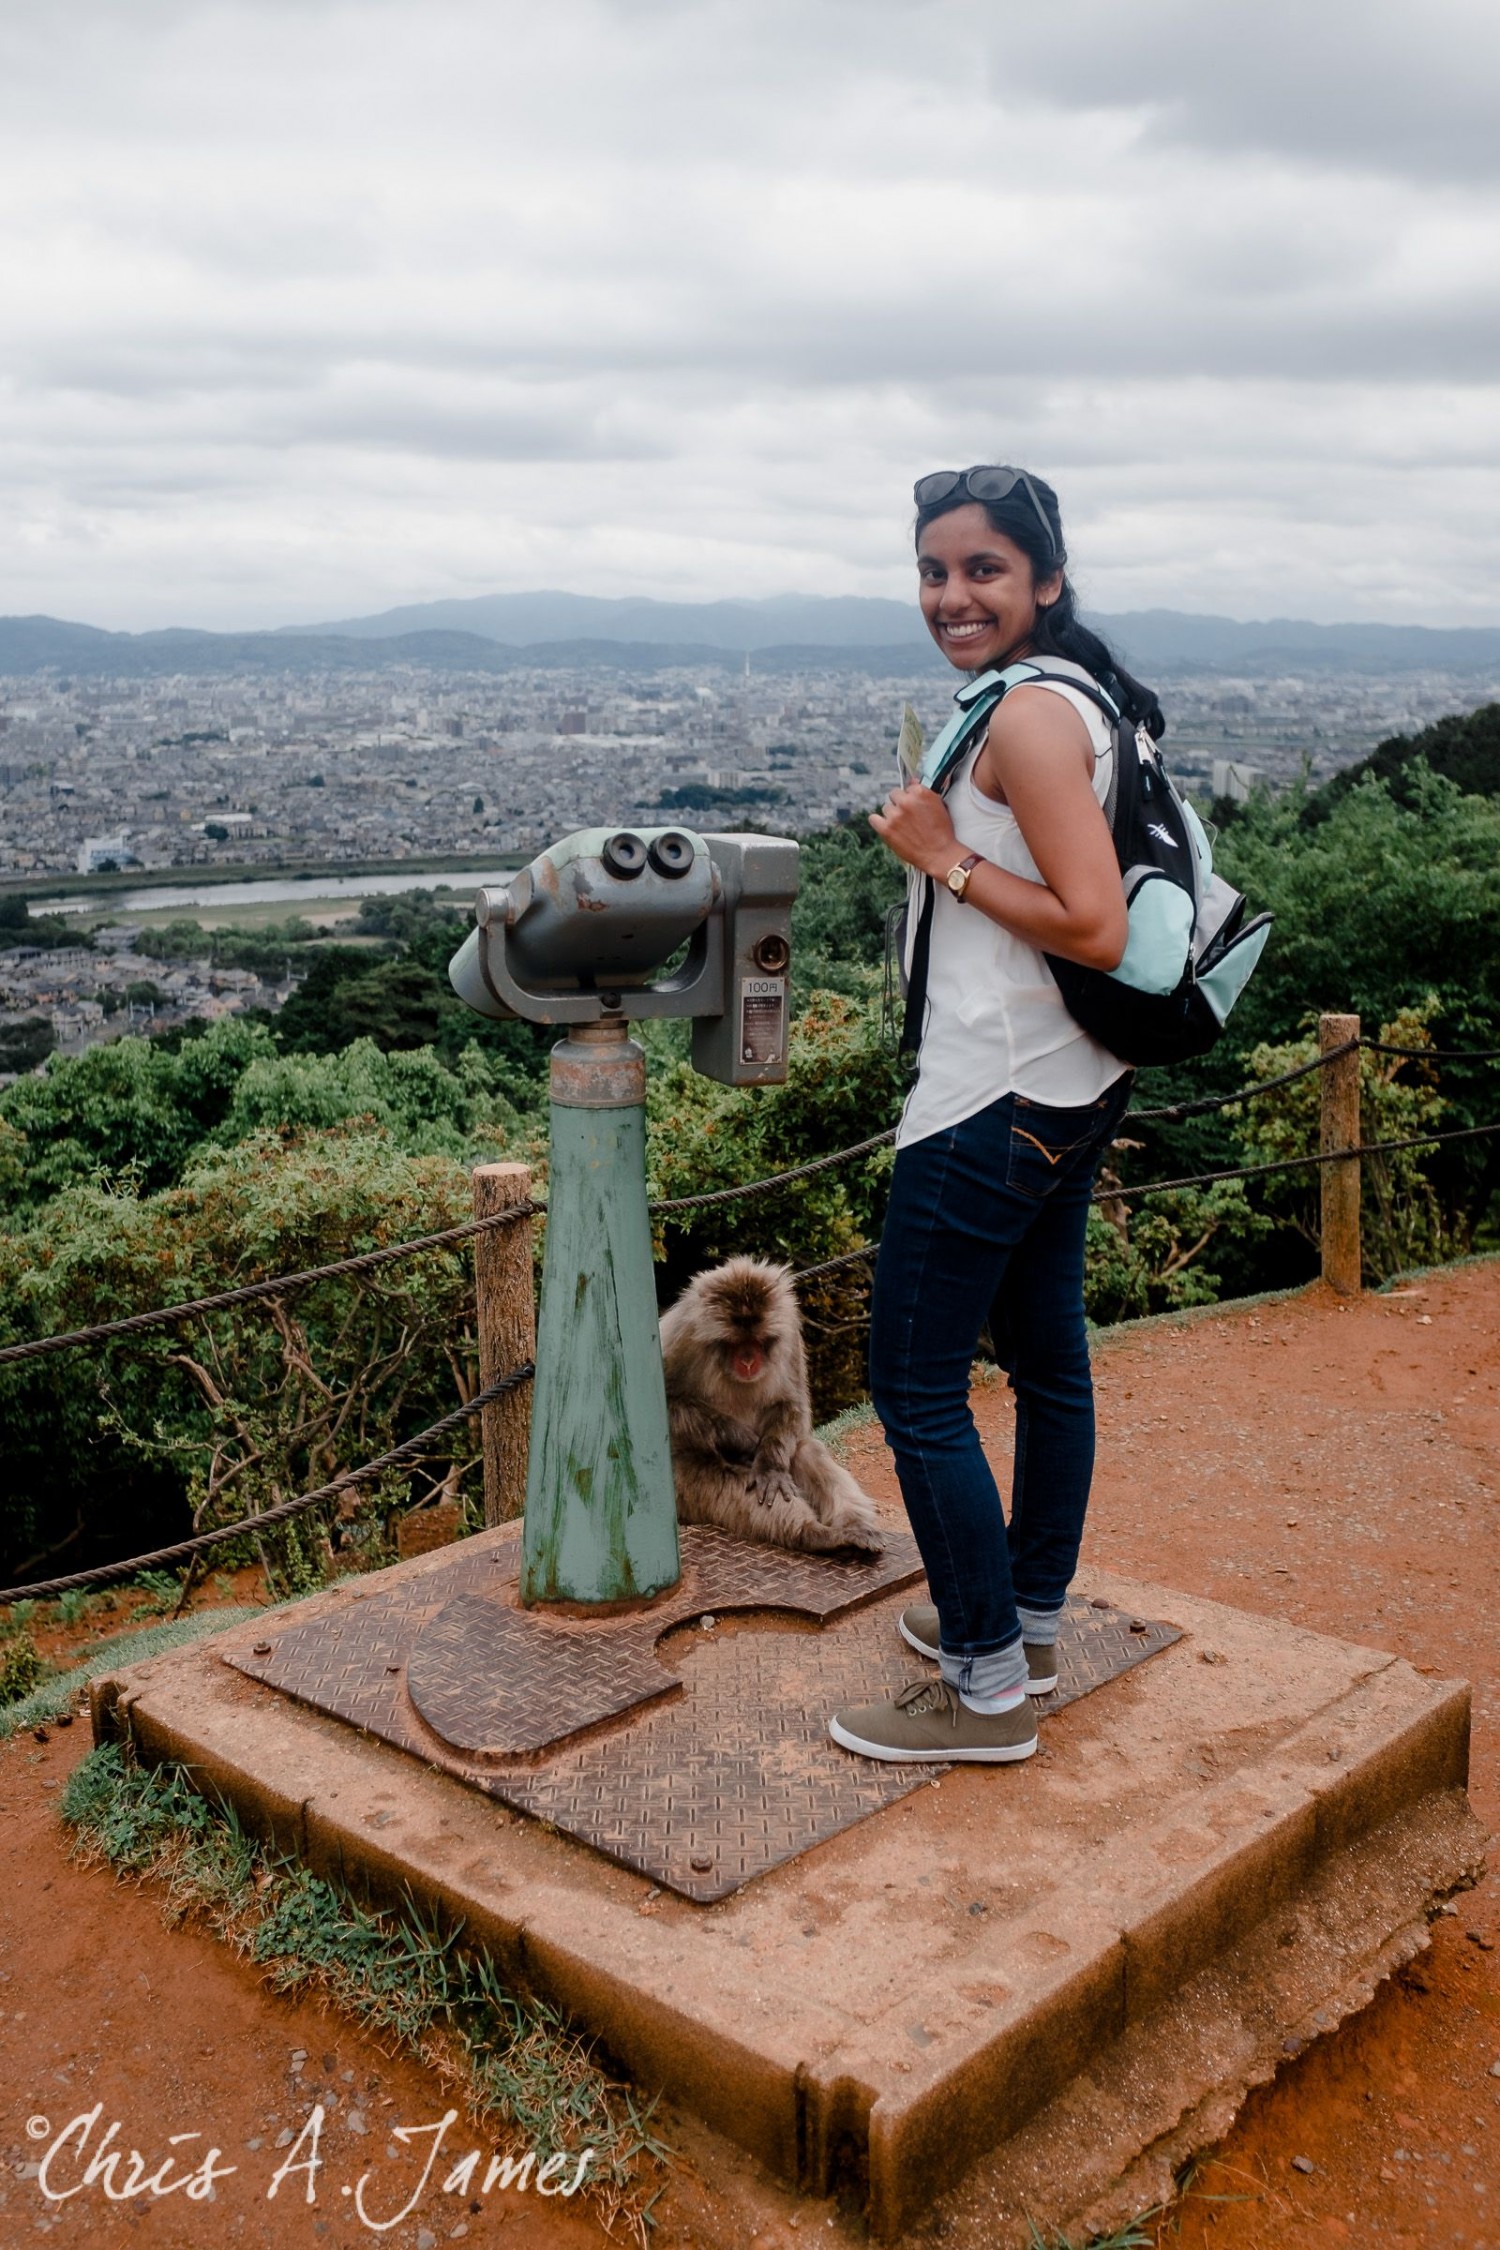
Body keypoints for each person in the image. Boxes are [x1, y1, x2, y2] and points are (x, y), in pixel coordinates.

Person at [829, 465, 1160, 1765]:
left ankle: (980, 1692)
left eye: (983, 570)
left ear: (1046, 579)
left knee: (913, 1381)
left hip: (993, 1094)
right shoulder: (1089, 693)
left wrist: (942, 857)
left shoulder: (1025, 717)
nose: (952, 595)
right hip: (1069, 1080)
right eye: (934, 570)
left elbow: (1094, 920)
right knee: (1044, 1358)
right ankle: (1020, 1620)